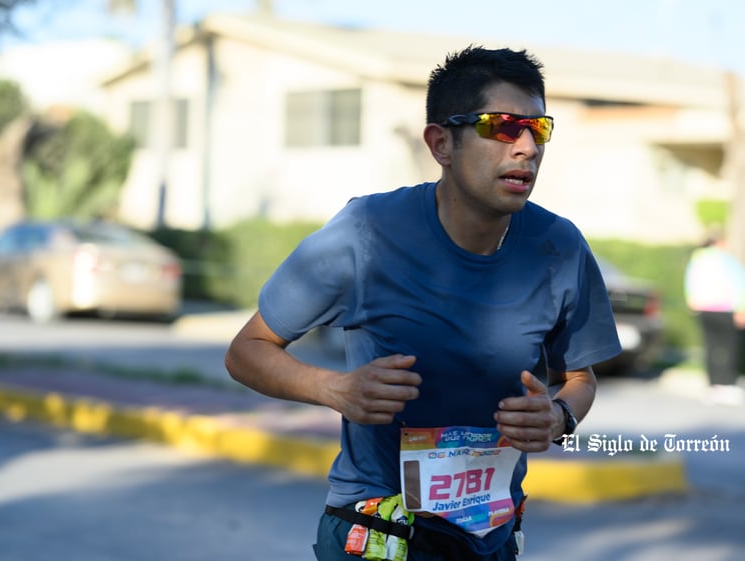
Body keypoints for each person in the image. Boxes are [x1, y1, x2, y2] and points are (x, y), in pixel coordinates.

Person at [225, 45, 622, 561]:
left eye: (538, 128)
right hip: (378, 538)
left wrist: (558, 417)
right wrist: (336, 389)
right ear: (441, 143)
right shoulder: (366, 232)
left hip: (490, 539)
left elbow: (579, 380)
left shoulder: (559, 246)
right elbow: (246, 349)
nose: (526, 147)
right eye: (502, 126)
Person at [684, 226, 745, 405]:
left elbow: (690, 282)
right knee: (728, 348)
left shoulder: (697, 259)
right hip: (724, 308)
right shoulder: (727, 259)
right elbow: (741, 283)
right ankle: (727, 384)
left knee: (711, 348)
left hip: (704, 308)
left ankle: (713, 385)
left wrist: (692, 300)